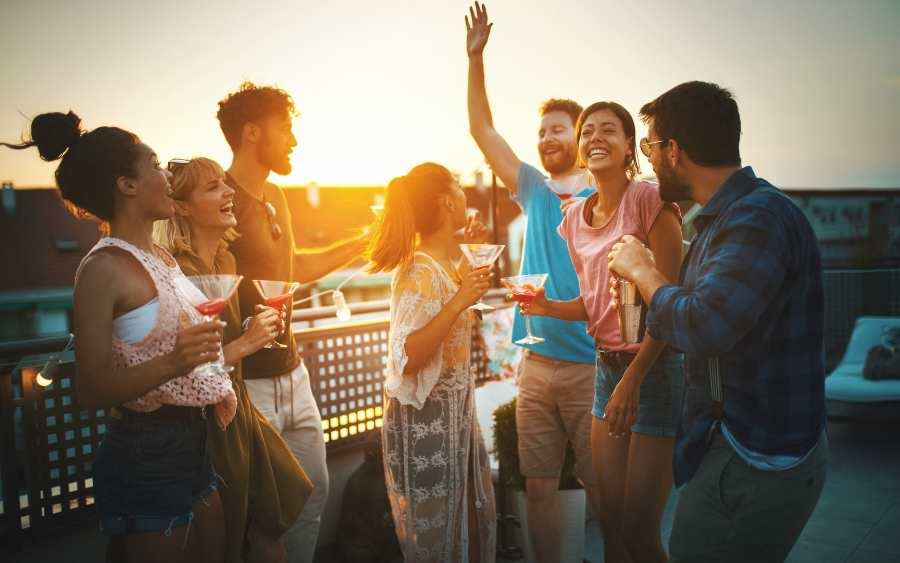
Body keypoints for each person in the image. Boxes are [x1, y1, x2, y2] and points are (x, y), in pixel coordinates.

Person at [607, 81, 828, 563]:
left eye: (649, 147)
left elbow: (704, 327)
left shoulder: (755, 219)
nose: (647, 161)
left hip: (757, 454)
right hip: (742, 443)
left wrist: (645, 271)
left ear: (674, 150)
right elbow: (697, 308)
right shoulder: (725, 219)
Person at [2, 112, 234, 562]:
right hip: (144, 454)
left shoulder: (162, 257)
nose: (167, 174)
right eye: (154, 163)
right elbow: (90, 387)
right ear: (127, 185)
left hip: (194, 442)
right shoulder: (102, 268)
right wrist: (175, 362)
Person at [521, 102, 685, 562]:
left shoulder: (648, 200)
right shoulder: (573, 217)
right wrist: (546, 306)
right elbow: (594, 306)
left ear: (629, 145)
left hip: (652, 372)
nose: (595, 137)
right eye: (587, 130)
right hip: (604, 370)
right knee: (611, 520)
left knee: (638, 531)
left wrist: (632, 381)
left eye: (608, 130)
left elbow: (668, 307)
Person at [465, 5, 600, 562]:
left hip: (595, 365)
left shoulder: (606, 196)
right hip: (536, 365)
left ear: (581, 134)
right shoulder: (533, 189)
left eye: (558, 129)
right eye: (541, 131)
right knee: (538, 486)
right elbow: (481, 129)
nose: (547, 138)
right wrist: (475, 58)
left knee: (605, 490)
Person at [215, 82, 368, 562]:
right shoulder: (217, 201)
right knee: (262, 515)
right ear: (252, 133)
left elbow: (294, 270)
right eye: (287, 129)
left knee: (313, 492)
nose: (294, 141)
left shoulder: (276, 196)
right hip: (248, 383)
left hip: (293, 373)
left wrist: (366, 241)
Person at [153, 157, 314, 563]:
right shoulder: (178, 275)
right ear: (182, 207)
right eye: (213, 188)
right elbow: (185, 369)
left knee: (271, 522)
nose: (228, 194)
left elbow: (223, 330)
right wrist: (245, 344)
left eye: (225, 184)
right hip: (207, 424)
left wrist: (248, 326)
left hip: (239, 411)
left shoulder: (225, 262)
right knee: (236, 538)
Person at [366, 163, 497, 563]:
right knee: (437, 539)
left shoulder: (439, 266)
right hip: (428, 424)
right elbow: (405, 356)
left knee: (470, 523)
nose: (463, 193)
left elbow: (448, 322)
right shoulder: (417, 270)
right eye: (457, 185)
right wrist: (461, 299)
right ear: (446, 200)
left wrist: (467, 272)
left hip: (456, 414)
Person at [336, 430, 401, 563]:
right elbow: (348, 518)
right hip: (364, 533)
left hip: (387, 527)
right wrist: (374, 536)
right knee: (360, 555)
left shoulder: (394, 473)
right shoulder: (358, 482)